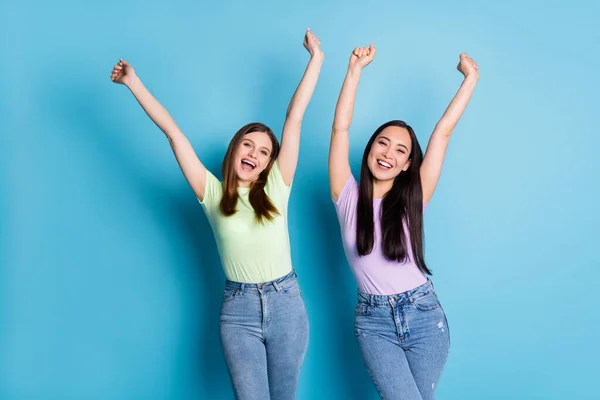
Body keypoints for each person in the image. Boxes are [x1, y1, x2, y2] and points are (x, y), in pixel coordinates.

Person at [110, 29, 324, 400]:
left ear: (267, 166)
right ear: (234, 148)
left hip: (287, 305)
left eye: (263, 152)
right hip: (238, 311)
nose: (254, 154)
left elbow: (295, 118)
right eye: (248, 144)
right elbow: (174, 134)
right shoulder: (210, 193)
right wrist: (133, 82)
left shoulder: (277, 187)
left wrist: (316, 59)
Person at [328, 44, 479, 399]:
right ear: (369, 150)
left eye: (400, 150)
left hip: (424, 315)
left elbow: (442, 132)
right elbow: (340, 129)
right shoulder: (346, 195)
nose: (389, 154)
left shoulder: (415, 198)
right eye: (383, 143)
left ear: (408, 163)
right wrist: (354, 71)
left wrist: (470, 79)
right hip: (373, 322)